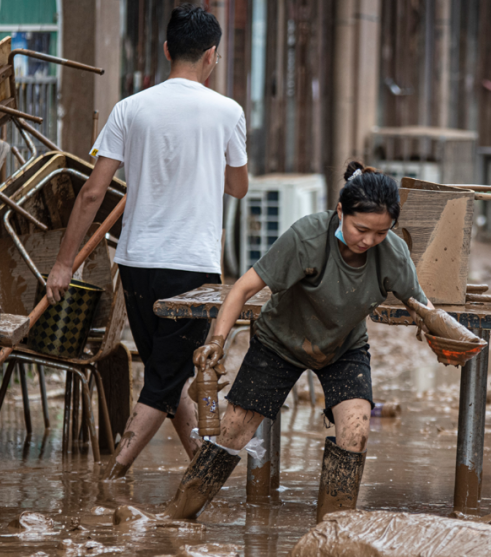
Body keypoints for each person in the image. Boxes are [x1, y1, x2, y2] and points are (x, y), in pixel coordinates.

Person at [46, 3, 249, 478]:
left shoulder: (129, 109)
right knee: (163, 381)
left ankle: (203, 471)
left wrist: (63, 263)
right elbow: (238, 187)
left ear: (165, 50)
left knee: (168, 373)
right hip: (192, 268)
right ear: (211, 55)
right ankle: (111, 477)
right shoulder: (228, 112)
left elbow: (92, 192)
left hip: (136, 264)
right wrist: (201, 163)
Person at [163, 163, 430, 522]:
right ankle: (177, 516)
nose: (368, 241)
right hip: (279, 342)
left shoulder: (393, 253)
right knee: (232, 431)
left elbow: (422, 306)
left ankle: (331, 529)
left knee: (355, 429)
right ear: (340, 211)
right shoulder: (307, 237)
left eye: (381, 233)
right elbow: (243, 288)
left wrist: (442, 335)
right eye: (361, 229)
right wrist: (218, 341)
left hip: (343, 348)